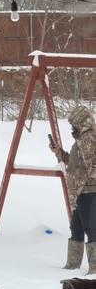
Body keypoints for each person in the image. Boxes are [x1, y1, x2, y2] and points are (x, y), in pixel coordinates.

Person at [50, 105, 96, 274]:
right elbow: (76, 163)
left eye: (74, 124)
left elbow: (90, 166)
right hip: (81, 191)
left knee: (91, 228)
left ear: (81, 122)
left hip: (89, 190)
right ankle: (72, 265)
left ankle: (94, 269)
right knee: (76, 227)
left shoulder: (89, 138)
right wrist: (59, 153)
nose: (72, 128)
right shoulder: (82, 139)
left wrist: (76, 185)